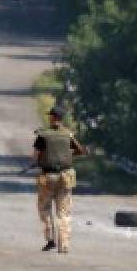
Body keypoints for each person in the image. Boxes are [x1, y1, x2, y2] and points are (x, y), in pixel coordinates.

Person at [33, 106, 86, 253]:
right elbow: (80, 150)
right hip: (65, 176)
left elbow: (35, 156)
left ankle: (50, 239)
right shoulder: (68, 134)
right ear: (61, 119)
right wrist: (67, 155)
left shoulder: (42, 135)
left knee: (45, 208)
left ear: (52, 117)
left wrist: (41, 160)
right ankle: (64, 245)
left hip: (48, 177)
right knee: (64, 212)